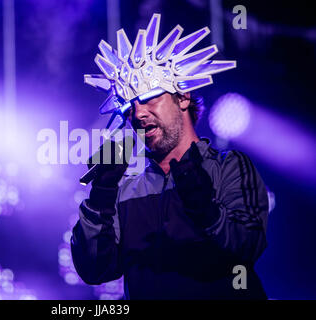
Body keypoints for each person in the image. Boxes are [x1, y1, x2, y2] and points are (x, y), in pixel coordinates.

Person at [71, 14, 269, 299]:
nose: (138, 113)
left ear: (183, 96)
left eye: (150, 96)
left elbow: (249, 245)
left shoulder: (229, 168)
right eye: (129, 106)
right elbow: (95, 269)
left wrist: (205, 211)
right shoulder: (125, 191)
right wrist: (100, 197)